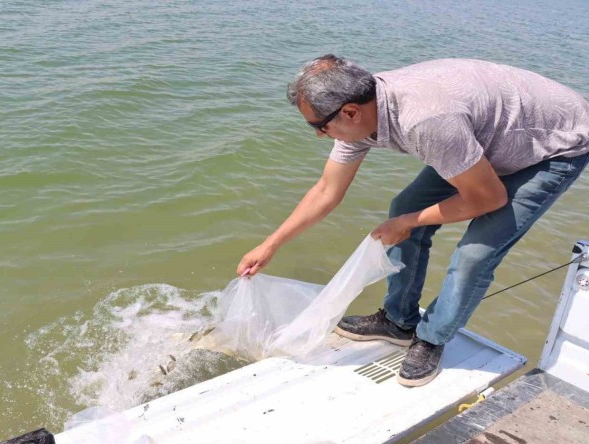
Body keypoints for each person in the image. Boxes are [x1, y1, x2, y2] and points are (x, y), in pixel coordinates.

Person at [236, 55, 589, 387]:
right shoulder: (362, 114)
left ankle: (432, 338)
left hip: (552, 147)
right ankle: (398, 321)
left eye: (319, 126)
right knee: (405, 206)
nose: (318, 135)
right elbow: (327, 190)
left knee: (475, 253)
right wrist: (270, 245)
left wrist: (407, 222)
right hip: (483, 137)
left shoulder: (425, 120)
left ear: (350, 112)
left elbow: (489, 198)